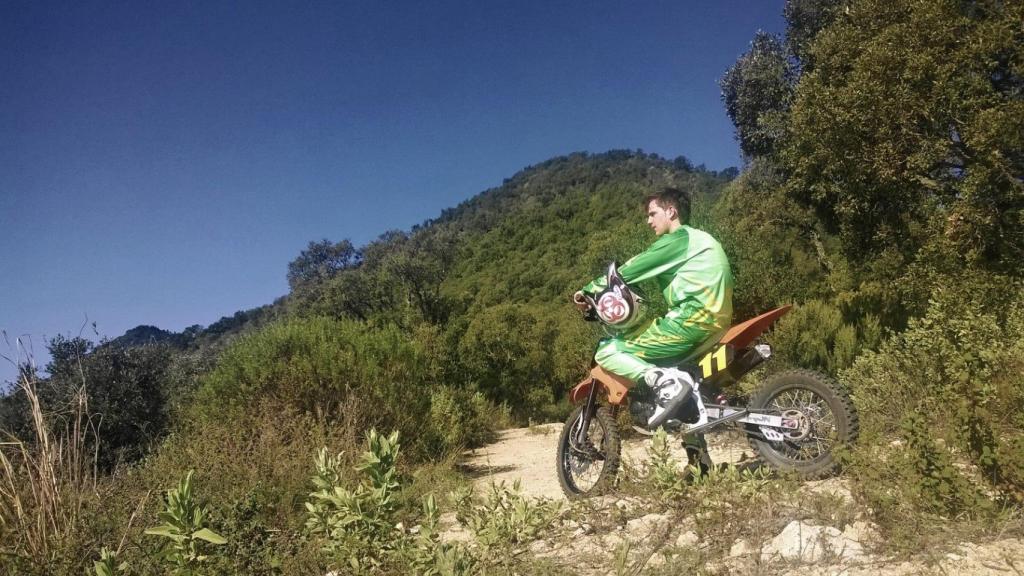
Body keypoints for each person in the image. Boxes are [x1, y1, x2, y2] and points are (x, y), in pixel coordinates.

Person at [573, 187, 733, 428]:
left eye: (652, 213)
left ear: (671, 211)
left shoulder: (677, 241)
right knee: (683, 391)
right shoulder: (701, 238)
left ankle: (662, 383)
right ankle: (701, 462)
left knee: (607, 351)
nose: (648, 221)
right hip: (716, 322)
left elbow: (627, 271)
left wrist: (586, 292)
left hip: (691, 322)